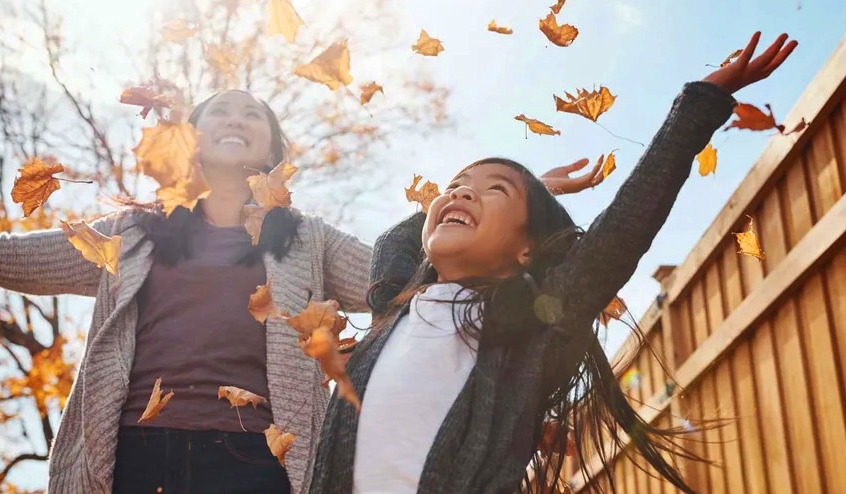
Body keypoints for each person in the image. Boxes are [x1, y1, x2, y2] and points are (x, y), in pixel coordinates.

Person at [0, 89, 607, 494]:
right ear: (191, 140)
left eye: (254, 115)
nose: (236, 120)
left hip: (256, 466)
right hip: (129, 457)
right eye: (219, 112)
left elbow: (409, 275)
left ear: (273, 148)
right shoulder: (129, 233)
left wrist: (519, 204)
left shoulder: (306, 240)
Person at [308, 31, 798, 494]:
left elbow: (624, 229)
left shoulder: (526, 330)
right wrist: (525, 191)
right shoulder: (393, 308)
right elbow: (394, 241)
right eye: (457, 186)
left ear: (527, 251)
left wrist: (698, 106)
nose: (460, 192)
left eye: (492, 190)